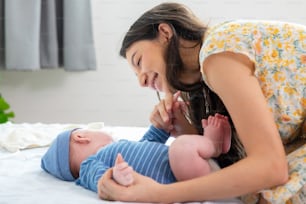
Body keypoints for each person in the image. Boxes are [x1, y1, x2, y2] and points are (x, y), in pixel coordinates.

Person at [98, 2, 306, 204]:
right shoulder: (205, 81)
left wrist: (158, 194)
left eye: (138, 61)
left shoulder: (217, 54)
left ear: (164, 33)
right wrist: (182, 128)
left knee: (274, 193)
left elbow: (270, 168)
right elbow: (227, 167)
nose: (142, 81)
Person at [41, 114, 231, 193]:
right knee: (180, 147)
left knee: (180, 148)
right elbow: (101, 183)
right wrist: (115, 177)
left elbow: (146, 145)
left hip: (192, 167)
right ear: (81, 137)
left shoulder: (120, 152)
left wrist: (161, 128)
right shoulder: (89, 164)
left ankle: (214, 151)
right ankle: (213, 145)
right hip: (182, 178)